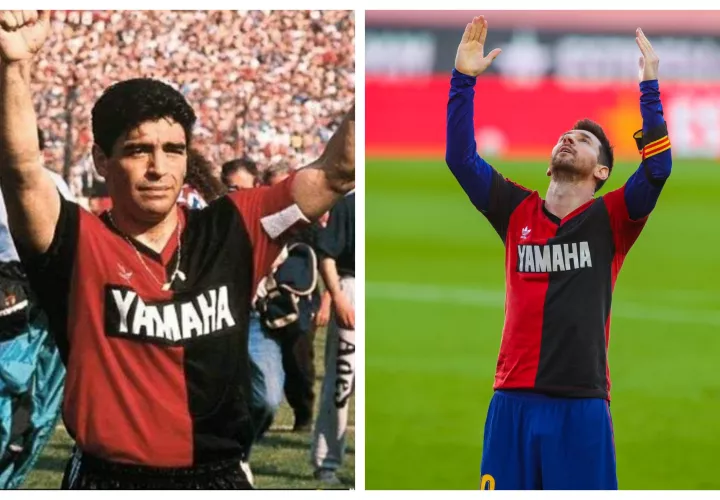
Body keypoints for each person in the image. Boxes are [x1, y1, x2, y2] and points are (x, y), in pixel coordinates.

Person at [0, 10, 354, 490]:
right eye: (137, 150)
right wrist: (13, 68)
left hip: (218, 477)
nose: (158, 168)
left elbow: (338, 171)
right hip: (109, 479)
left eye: (173, 149)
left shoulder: (235, 227)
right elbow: (21, 172)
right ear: (101, 159)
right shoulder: (77, 242)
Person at [446, 16, 671, 490]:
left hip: (582, 404)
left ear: (603, 171)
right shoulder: (514, 209)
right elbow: (460, 158)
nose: (569, 138)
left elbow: (657, 170)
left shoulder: (612, 219)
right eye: (566, 136)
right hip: (511, 400)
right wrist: (463, 79)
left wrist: (649, 85)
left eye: (585, 139)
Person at [0, 127, 73, 489]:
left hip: (46, 294)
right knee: (9, 381)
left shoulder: (55, 184)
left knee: (41, 395)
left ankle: (13, 475)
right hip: (8, 292)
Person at [310, 190, 355, 485]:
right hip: (353, 289)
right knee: (342, 379)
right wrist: (337, 296)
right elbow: (327, 253)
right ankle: (327, 462)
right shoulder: (350, 204)